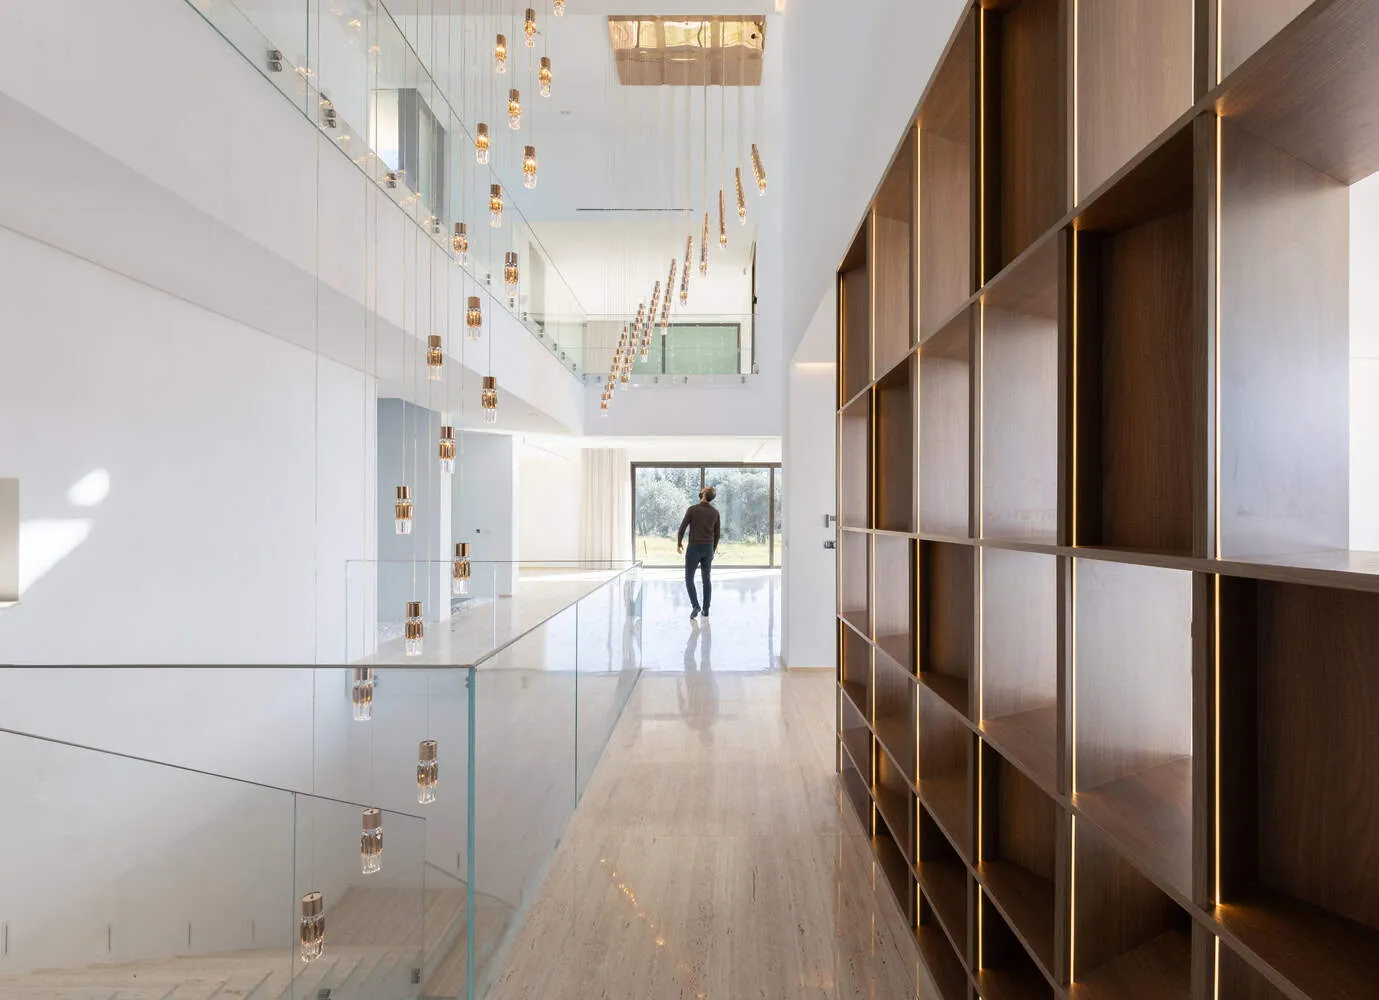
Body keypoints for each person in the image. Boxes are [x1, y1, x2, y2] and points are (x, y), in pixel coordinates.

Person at [677, 486, 720, 622]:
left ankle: (696, 606)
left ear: (703, 494)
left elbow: (682, 527)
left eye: (704, 488)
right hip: (708, 549)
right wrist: (712, 551)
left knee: (689, 578)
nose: (701, 488)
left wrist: (679, 543)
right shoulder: (715, 513)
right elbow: (717, 535)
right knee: (706, 579)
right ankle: (706, 609)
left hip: (694, 548)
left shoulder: (693, 509)